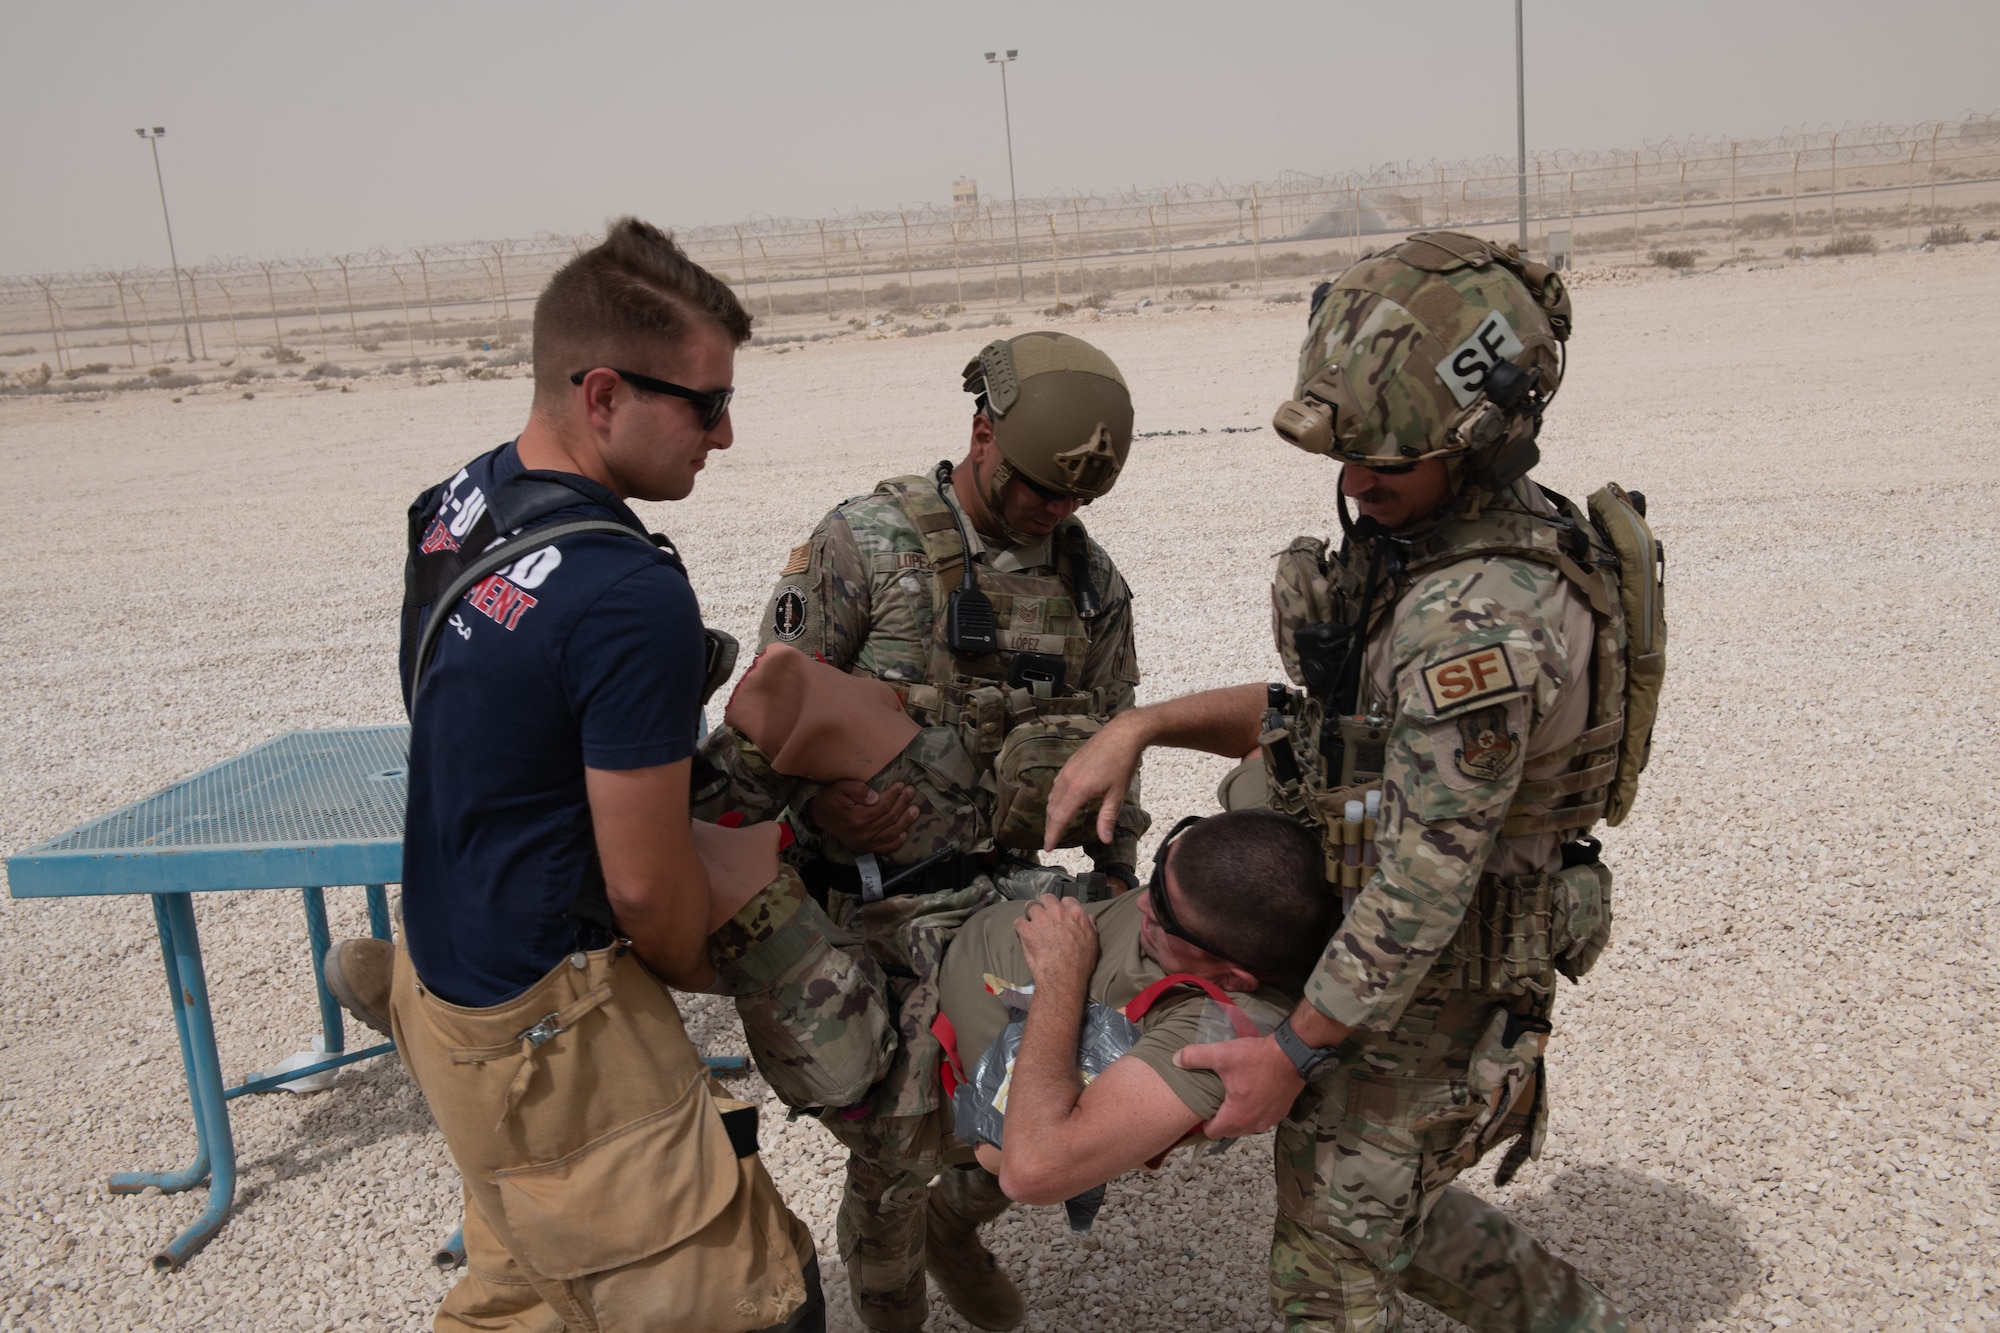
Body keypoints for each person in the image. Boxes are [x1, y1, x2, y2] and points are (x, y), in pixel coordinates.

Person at [1042, 231, 1652, 1332]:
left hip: (1436, 976)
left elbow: (1425, 867)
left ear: (1481, 443)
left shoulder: (1478, 613)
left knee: (1326, 1253)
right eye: (1349, 455)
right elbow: (1331, 736)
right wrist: (1140, 724)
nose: (1355, 483)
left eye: (1388, 462)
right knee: (1385, 1214)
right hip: (1393, 963)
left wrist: (1292, 1046)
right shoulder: (1432, 544)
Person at [345, 218, 822, 1333]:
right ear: (602, 392)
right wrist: (739, 966)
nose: (727, 432)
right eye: (704, 403)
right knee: (759, 1302)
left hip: (448, 970)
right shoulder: (625, 594)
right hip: (549, 1027)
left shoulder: (460, 503)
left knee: (530, 1279)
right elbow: (651, 892)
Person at [691, 331, 1150, 1330]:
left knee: (1111, 1064)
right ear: (980, 432)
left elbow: (1117, 744)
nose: (1052, 512)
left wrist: (1117, 882)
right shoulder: (868, 544)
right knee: (898, 1129)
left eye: (1075, 499)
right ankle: (894, 1304)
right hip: (864, 898)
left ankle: (959, 1219)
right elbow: (762, 729)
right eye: (1037, 487)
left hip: (1002, 892)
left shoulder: (1088, 586)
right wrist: (823, 806)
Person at [704, 807, 1331, 1333]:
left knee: (888, 1198)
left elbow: (1024, 1163)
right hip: (957, 934)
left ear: (1231, 978)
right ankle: (945, 1236)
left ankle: (914, 1282)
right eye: (1161, 874)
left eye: (1162, 919)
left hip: (929, 1084)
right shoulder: (1262, 895)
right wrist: (1141, 729)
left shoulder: (1216, 1033)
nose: (1144, 906)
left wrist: (1062, 972)